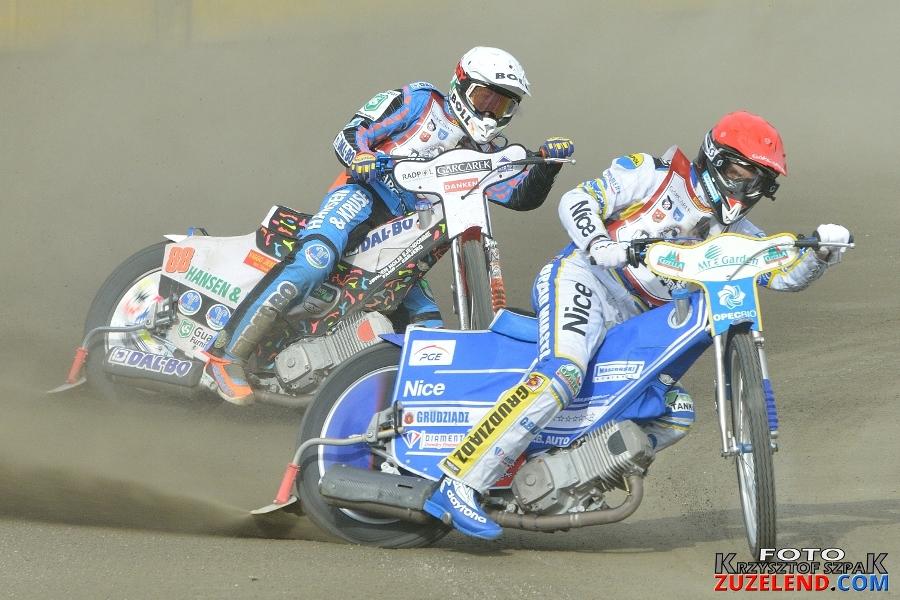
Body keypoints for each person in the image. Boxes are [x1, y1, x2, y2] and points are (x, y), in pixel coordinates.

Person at [423, 110, 852, 539]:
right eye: (741, 172)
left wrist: (820, 255)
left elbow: (782, 277)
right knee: (564, 371)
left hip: (632, 322)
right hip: (586, 279)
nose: (747, 187)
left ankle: (559, 476)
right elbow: (577, 199)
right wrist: (599, 243)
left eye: (759, 180)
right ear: (715, 159)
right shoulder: (653, 174)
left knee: (675, 413)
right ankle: (460, 481)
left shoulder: (739, 236)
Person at [205, 47, 574, 405]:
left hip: (410, 235)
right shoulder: (420, 102)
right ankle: (225, 354)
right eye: (485, 98)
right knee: (315, 259)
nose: (491, 112)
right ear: (461, 85)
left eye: (503, 105)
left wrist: (547, 167)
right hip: (364, 198)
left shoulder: (486, 153)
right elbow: (350, 134)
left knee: (427, 324)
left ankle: (414, 407)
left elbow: (519, 196)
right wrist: (362, 157)